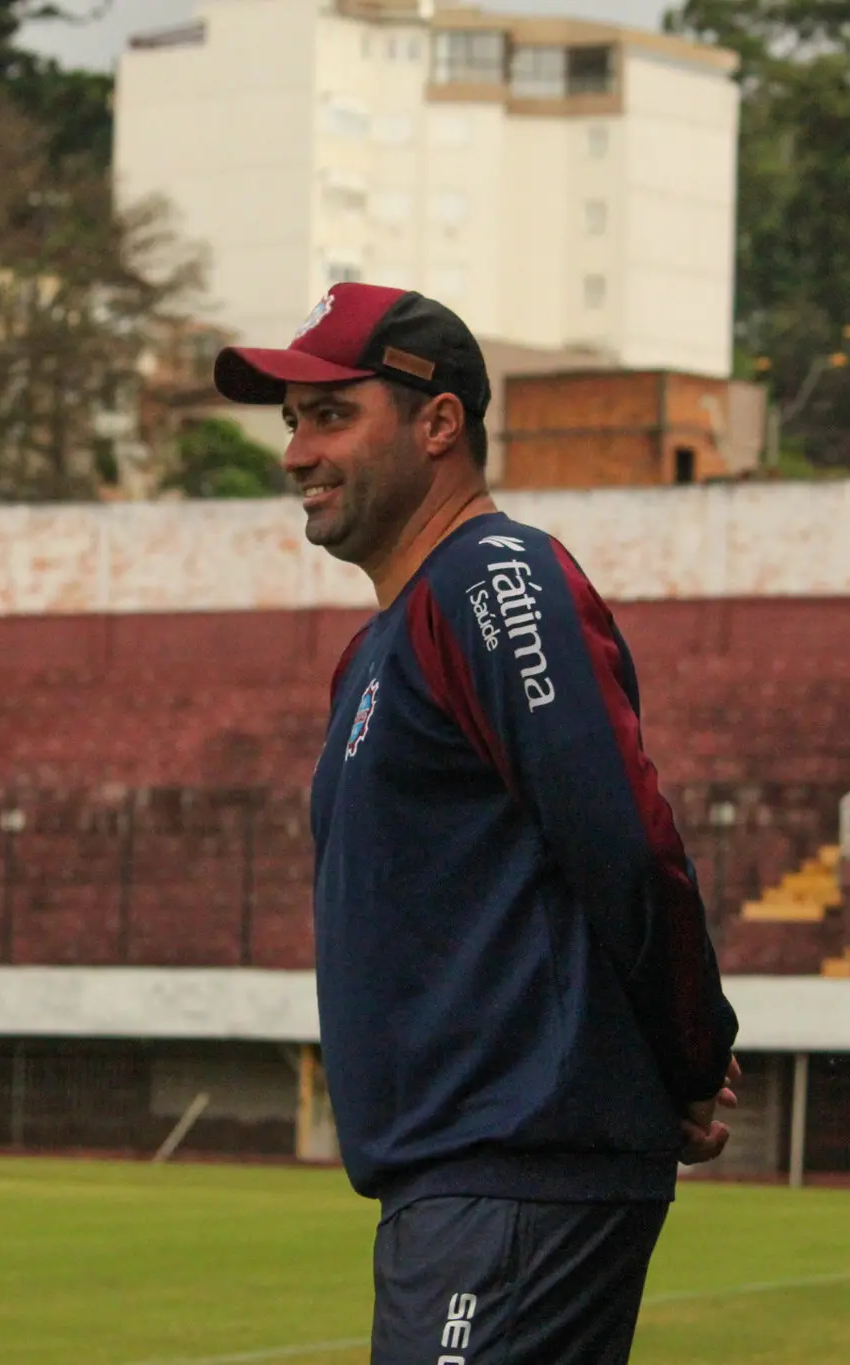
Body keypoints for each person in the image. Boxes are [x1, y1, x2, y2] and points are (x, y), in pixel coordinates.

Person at [214, 283, 740, 1365]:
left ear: (437, 423)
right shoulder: (380, 646)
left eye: (330, 415)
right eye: (291, 422)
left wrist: (690, 1057)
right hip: (458, 1181)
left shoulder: (492, 579)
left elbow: (624, 837)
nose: (295, 453)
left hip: (516, 1168)